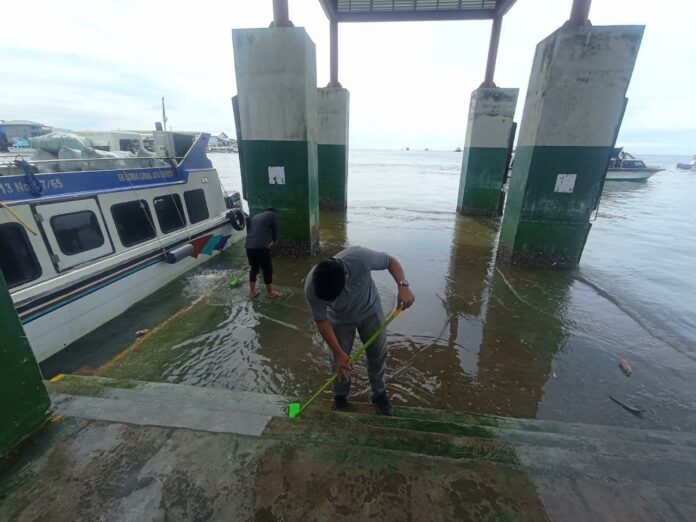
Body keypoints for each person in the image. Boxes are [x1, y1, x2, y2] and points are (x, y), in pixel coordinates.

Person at [304, 246, 415, 416]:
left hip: (370, 311)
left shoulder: (360, 258)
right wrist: (339, 352)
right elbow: (322, 321)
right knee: (339, 362)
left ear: (347, 277)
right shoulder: (312, 287)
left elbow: (391, 261)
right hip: (338, 319)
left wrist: (403, 286)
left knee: (378, 354)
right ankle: (340, 397)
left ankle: (378, 394)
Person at [245, 208, 281, 299]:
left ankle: (252, 292)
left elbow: (250, 230)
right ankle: (270, 292)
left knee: (254, 268)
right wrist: (275, 240)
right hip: (260, 246)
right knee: (267, 269)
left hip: (249, 246)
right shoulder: (273, 215)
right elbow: (275, 229)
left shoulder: (256, 216)